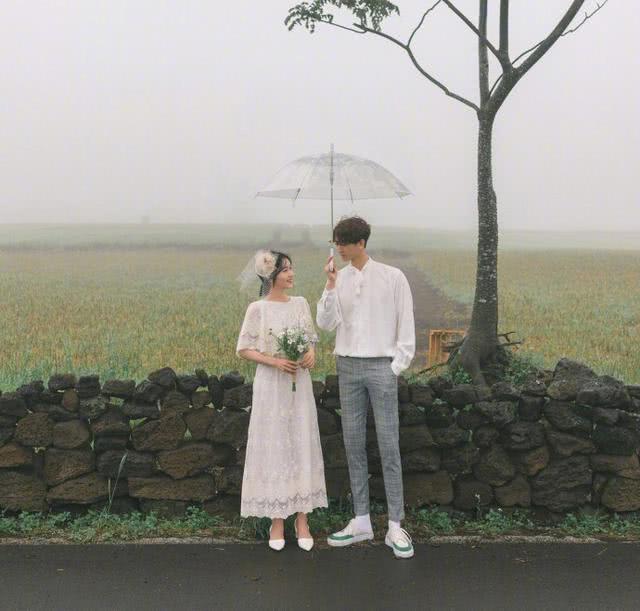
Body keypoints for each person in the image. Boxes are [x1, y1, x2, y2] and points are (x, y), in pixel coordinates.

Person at [316, 216, 416, 559]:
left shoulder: (392, 277)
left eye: (344, 242)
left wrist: (395, 368)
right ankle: (361, 520)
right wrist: (330, 285)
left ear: (361, 243)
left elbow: (406, 324)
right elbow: (326, 323)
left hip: (381, 366)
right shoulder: (339, 279)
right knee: (353, 443)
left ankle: (395, 524)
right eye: (337, 242)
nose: (339, 248)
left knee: (389, 445)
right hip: (347, 366)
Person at [236, 249, 328, 552]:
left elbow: (310, 339)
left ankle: (303, 519)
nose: (291, 274)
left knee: (300, 443)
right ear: (271, 275)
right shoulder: (257, 309)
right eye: (285, 270)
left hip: (298, 383)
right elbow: (244, 349)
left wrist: (310, 354)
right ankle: (277, 520)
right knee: (275, 446)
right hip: (271, 385)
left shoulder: (300, 304)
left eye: (291, 269)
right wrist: (275, 362)